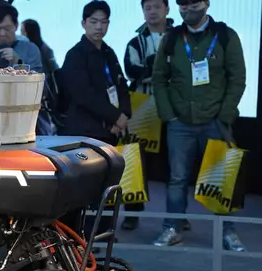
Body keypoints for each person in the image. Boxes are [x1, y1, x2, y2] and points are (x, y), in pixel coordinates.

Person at [151, 0, 246, 251]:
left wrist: (225, 115)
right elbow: (159, 78)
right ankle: (172, 228)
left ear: (206, 4)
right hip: (180, 123)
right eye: (182, 5)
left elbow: (238, 78)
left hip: (216, 121)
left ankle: (228, 233)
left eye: (193, 4)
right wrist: (168, 114)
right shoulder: (172, 38)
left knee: (221, 181)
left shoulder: (225, 36)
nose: (187, 10)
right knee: (177, 178)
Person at [59, 1, 131, 244]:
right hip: (85, 131)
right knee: (86, 187)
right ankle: (81, 236)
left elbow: (120, 85)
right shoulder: (75, 55)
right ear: (84, 23)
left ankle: (102, 232)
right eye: (94, 21)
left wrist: (124, 115)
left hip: (109, 130)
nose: (99, 27)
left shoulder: (108, 52)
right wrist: (114, 116)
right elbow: (82, 94)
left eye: (104, 22)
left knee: (107, 184)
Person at [120, 0, 174, 231]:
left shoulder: (179, 37)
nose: (152, 11)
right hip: (142, 107)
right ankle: (132, 212)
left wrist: (151, 68)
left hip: (171, 108)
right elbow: (131, 71)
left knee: (174, 164)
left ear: (167, 9)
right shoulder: (135, 41)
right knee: (136, 161)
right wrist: (159, 68)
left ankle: (177, 216)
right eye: (147, 7)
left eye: (157, 7)